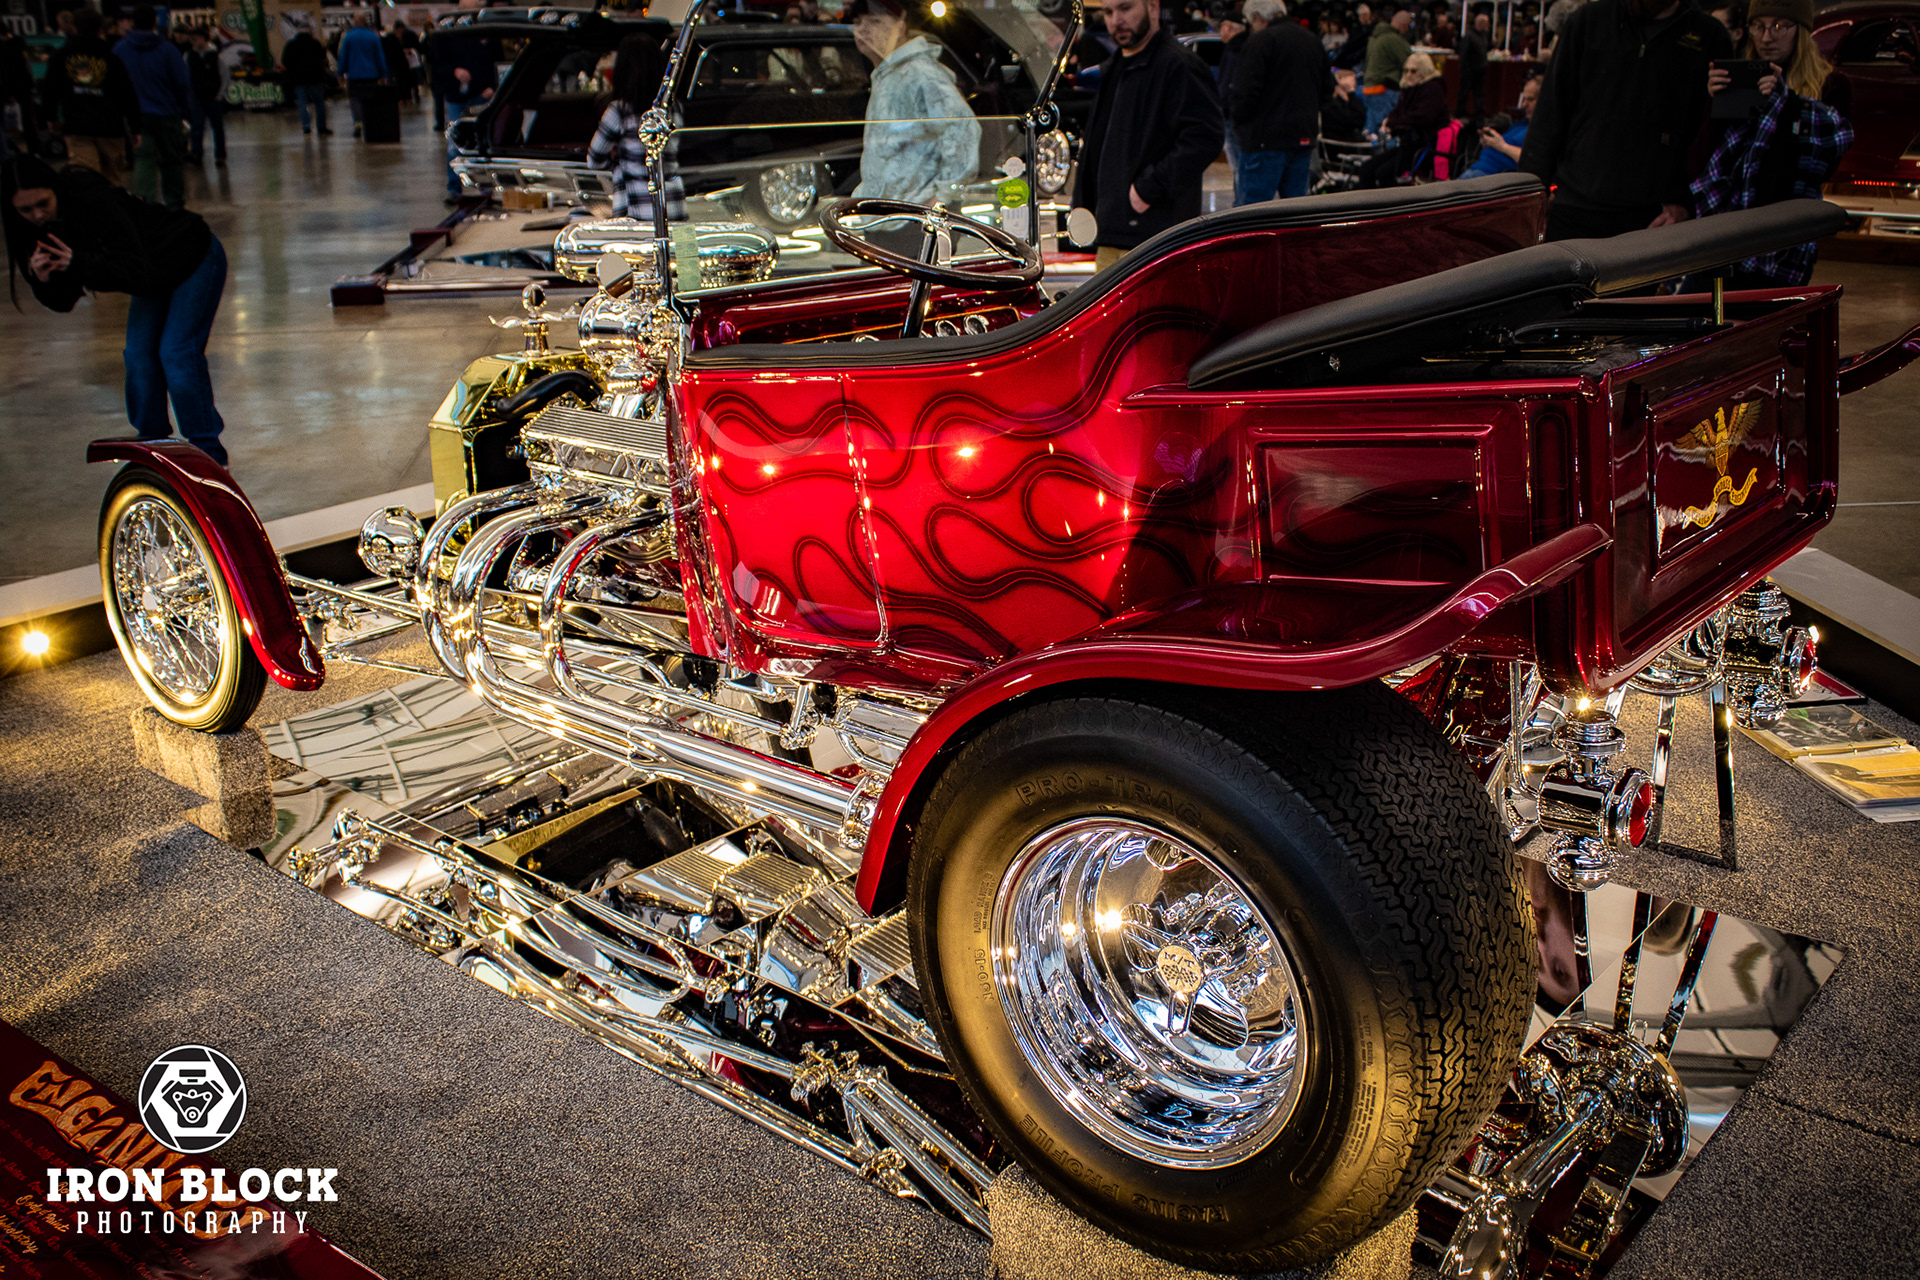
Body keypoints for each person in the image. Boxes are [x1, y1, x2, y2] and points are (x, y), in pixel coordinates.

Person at [3, 155, 229, 465]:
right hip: (153, 277)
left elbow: (133, 269)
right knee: (138, 358)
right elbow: (65, 301)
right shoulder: (30, 230)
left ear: (55, 190)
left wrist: (78, 263)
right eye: (25, 210)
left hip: (192, 253)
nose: (37, 215)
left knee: (176, 353)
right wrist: (43, 281)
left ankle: (208, 455)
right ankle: (153, 448)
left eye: (43, 203)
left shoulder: (94, 201)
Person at [1520, 0, 1732, 241]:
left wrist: (1686, 201)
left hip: (1655, 219)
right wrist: (1529, 203)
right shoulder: (1588, 21)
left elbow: (1718, 139)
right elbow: (1549, 114)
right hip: (1575, 207)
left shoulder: (1708, 34)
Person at [1688, 0, 1851, 286]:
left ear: (1801, 30)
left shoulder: (1830, 85)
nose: (1766, 37)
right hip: (1723, 240)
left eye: (1778, 26)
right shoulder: (1738, 78)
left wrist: (1785, 104)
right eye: (1758, 26)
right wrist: (1715, 105)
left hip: (1784, 246)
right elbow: (1700, 163)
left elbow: (1821, 166)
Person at [1072, 0, 1223, 269]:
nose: (1116, 20)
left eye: (1125, 8)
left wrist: (1148, 189)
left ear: (1152, 7)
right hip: (1110, 233)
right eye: (1108, 12)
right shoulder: (1116, 66)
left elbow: (1205, 137)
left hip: (1153, 240)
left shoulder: (1179, 65)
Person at [847, 0, 980, 205]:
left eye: (875, 21)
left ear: (900, 28)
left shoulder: (919, 72)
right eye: (857, 22)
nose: (862, 30)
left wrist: (944, 195)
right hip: (891, 211)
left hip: (914, 212)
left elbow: (962, 128)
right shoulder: (889, 73)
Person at [1228, 0, 1329, 203]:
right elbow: (1327, 90)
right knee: (1295, 210)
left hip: (1264, 141)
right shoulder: (1312, 41)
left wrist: (1240, 124)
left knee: (1252, 212)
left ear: (1257, 17)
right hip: (1302, 138)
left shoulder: (1260, 42)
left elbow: (1245, 93)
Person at [586, 34, 684, 223]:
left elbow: (594, 159)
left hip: (636, 211)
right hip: (674, 205)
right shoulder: (674, 108)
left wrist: (618, 161)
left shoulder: (620, 111)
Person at [42, 9, 139, 182]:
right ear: (100, 29)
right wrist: (134, 127)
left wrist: (51, 117)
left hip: (77, 126)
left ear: (74, 28)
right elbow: (127, 94)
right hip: (110, 127)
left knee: (86, 179)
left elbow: (49, 89)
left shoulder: (62, 57)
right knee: (112, 181)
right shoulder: (111, 58)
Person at [115, 6, 192, 210]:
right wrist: (183, 109)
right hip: (167, 114)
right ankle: (175, 207)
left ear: (133, 22)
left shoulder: (121, 49)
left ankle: (144, 207)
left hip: (136, 117)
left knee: (143, 160)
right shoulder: (168, 50)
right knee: (172, 162)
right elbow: (182, 83)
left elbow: (114, 83)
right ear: (155, 22)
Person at [1357, 49, 1446, 185]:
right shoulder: (1408, 89)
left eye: (1413, 71)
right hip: (1407, 144)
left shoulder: (1433, 88)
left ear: (1425, 70)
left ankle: (1391, 199)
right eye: (1406, 70)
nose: (1408, 74)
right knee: (1366, 169)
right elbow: (1398, 113)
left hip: (1424, 146)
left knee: (1384, 173)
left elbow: (1422, 117)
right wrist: (1390, 123)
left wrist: (1394, 122)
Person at [431, 18, 498, 190]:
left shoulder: (486, 34)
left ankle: (486, 189)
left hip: (482, 95)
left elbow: (497, 61)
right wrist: (454, 71)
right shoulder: (446, 35)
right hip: (456, 96)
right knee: (454, 145)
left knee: (485, 143)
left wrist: (493, 86)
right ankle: (455, 188)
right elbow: (437, 67)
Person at [1460, 74, 1541, 176]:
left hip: (1494, 176)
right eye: (1523, 99)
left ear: (1543, 101)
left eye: (1530, 99)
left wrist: (1502, 146)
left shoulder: (1541, 131)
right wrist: (1490, 142)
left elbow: (1533, 161)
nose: (1524, 105)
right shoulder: (1522, 123)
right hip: (1478, 168)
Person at [1361, 7, 1412, 137]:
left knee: (1372, 132)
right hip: (1384, 89)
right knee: (1385, 131)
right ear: (1405, 26)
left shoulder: (1374, 37)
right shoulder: (1394, 40)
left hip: (1369, 87)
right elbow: (1410, 62)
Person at [336, 12, 387, 140]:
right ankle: (370, 123)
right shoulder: (373, 37)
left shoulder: (348, 37)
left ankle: (358, 122)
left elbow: (343, 56)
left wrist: (340, 73)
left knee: (355, 99)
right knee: (370, 100)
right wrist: (383, 74)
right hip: (371, 74)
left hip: (354, 75)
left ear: (355, 21)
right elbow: (379, 56)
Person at [280, 26, 333, 136]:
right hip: (316, 78)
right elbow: (323, 58)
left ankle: (306, 127)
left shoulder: (291, 44)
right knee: (319, 103)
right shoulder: (315, 43)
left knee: (302, 103)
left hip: (299, 79)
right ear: (310, 32)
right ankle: (321, 127)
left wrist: (293, 71)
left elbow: (285, 61)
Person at [185, 29, 227, 166]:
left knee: (218, 127)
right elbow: (185, 76)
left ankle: (220, 155)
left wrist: (220, 95)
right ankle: (196, 153)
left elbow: (224, 76)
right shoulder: (189, 56)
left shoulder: (215, 56)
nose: (194, 42)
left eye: (196, 39)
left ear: (204, 39)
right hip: (197, 98)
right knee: (197, 126)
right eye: (192, 40)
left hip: (213, 98)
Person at [1456, 8, 1490, 120]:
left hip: (1480, 69)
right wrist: (1464, 69)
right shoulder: (1469, 36)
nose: (1487, 25)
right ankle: (1460, 112)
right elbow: (1463, 53)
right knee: (1464, 92)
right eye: (1486, 22)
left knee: (1479, 93)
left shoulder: (1484, 35)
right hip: (1469, 69)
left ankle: (1479, 112)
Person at [1324, 65, 1368, 140]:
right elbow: (1352, 121)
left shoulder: (1354, 100)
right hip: (1335, 140)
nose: (1353, 85)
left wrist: (1351, 94)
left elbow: (1361, 121)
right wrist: (1350, 94)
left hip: (1351, 139)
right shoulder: (1331, 103)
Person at [1334, 2, 1374, 69]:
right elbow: (1351, 43)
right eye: (1360, 15)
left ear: (1369, 15)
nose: (1362, 17)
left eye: (1365, 15)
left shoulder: (1373, 29)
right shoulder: (1355, 29)